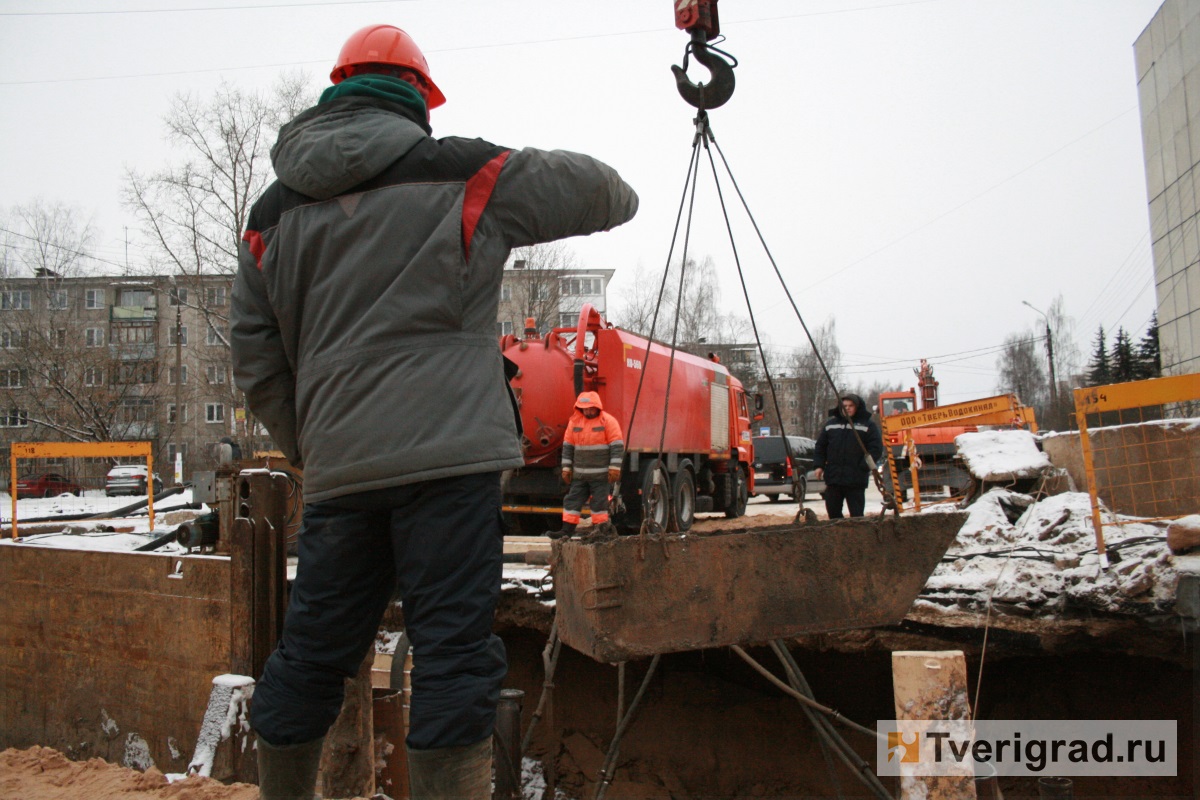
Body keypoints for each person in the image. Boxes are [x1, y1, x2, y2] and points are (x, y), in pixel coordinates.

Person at [230, 24, 638, 800]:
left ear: (336, 90)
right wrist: (503, 169)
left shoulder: (270, 217)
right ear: (420, 97)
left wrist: (316, 445)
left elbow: (257, 362)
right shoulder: (464, 174)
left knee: (312, 654)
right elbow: (610, 193)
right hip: (449, 467)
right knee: (451, 656)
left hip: (342, 475)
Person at [551, 391, 625, 539]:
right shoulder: (574, 422)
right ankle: (566, 531)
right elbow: (568, 447)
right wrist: (566, 468)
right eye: (585, 408)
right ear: (580, 408)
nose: (588, 411)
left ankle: (601, 532)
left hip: (600, 475)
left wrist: (615, 468)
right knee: (572, 502)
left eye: (591, 408)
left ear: (597, 407)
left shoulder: (608, 421)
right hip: (580, 475)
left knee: (599, 505)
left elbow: (617, 446)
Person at [812, 393, 884, 519]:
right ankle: (838, 536)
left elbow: (876, 448)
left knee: (856, 516)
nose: (848, 408)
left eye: (851, 405)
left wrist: (863, 467)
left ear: (857, 407)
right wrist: (819, 465)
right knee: (833, 514)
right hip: (834, 478)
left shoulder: (867, 425)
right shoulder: (830, 425)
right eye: (845, 405)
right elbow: (820, 447)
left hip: (855, 480)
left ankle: (856, 537)